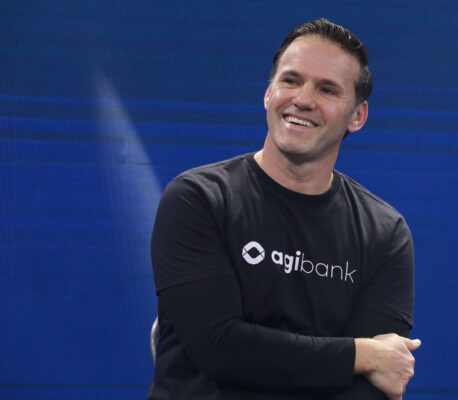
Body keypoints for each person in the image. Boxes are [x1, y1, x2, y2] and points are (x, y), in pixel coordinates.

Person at [149, 18, 421, 400]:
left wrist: (362, 362)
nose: (303, 99)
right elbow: (220, 347)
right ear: (268, 93)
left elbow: (375, 384)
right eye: (291, 80)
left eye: (327, 89)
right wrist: (360, 354)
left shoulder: (385, 233)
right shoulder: (198, 199)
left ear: (357, 116)